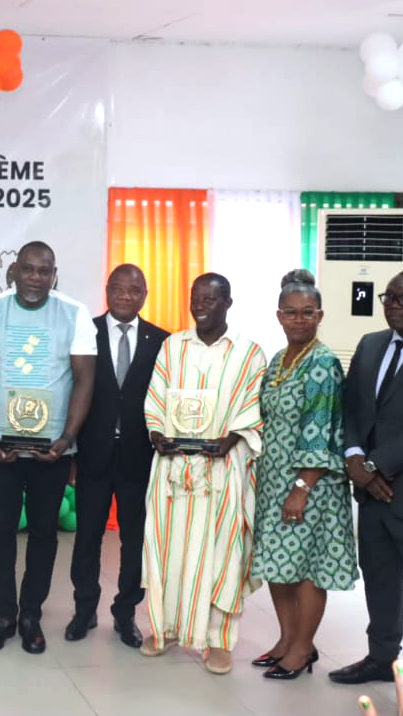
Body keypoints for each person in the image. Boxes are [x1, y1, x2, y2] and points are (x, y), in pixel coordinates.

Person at [0, 241, 96, 656]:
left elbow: (84, 381)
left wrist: (65, 440)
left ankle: (30, 616)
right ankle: (3, 614)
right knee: (0, 532)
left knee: (43, 533)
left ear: (54, 273)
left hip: (52, 450)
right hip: (0, 445)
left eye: (44, 271)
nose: (36, 278)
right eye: (28, 270)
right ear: (15, 272)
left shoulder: (75, 314)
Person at [141, 272, 267, 675]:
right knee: (166, 550)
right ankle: (166, 629)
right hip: (174, 471)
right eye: (196, 298)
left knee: (222, 556)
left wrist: (230, 439)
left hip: (223, 473)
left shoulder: (249, 353)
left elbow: (251, 409)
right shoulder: (172, 347)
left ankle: (218, 641)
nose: (201, 305)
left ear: (227, 302)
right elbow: (156, 398)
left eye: (211, 299)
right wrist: (158, 433)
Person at [330, 268, 403, 707]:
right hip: (372, 495)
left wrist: (373, 464)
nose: (393, 305)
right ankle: (380, 656)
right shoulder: (371, 344)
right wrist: (355, 459)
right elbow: (352, 407)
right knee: (380, 583)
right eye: (388, 298)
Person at [250, 273, 357, 680]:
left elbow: (320, 429)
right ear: (279, 316)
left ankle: (302, 649)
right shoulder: (280, 359)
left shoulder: (321, 363)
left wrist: (301, 488)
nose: (299, 320)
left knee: (306, 568)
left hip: (310, 484)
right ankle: (286, 639)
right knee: (278, 564)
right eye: (291, 313)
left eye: (307, 313)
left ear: (319, 316)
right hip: (275, 479)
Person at [66, 264, 168, 649]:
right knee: (87, 538)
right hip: (92, 456)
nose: (126, 296)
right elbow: (71, 390)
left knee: (134, 541)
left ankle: (126, 614)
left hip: (139, 460)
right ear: (107, 290)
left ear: (144, 295)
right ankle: (84, 610)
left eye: (135, 290)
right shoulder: (84, 333)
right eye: (119, 289)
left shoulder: (162, 341)